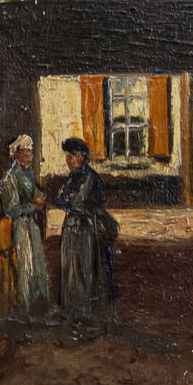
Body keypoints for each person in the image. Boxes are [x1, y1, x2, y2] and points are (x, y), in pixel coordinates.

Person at [55, 136, 118, 337]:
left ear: (81, 157)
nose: (68, 160)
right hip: (72, 227)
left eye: (71, 156)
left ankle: (87, 317)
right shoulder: (72, 177)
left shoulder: (90, 178)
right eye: (67, 156)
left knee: (85, 269)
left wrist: (69, 201)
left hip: (85, 229)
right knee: (71, 269)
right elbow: (60, 199)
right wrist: (69, 201)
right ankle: (74, 313)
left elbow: (77, 203)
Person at [0, 134, 52, 323]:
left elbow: (34, 192)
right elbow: (13, 210)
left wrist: (39, 197)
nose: (29, 158)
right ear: (16, 155)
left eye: (30, 155)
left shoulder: (28, 173)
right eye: (25, 155)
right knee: (24, 265)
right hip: (18, 227)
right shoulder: (9, 179)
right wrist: (34, 205)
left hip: (30, 225)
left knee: (36, 263)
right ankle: (23, 308)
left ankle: (36, 306)